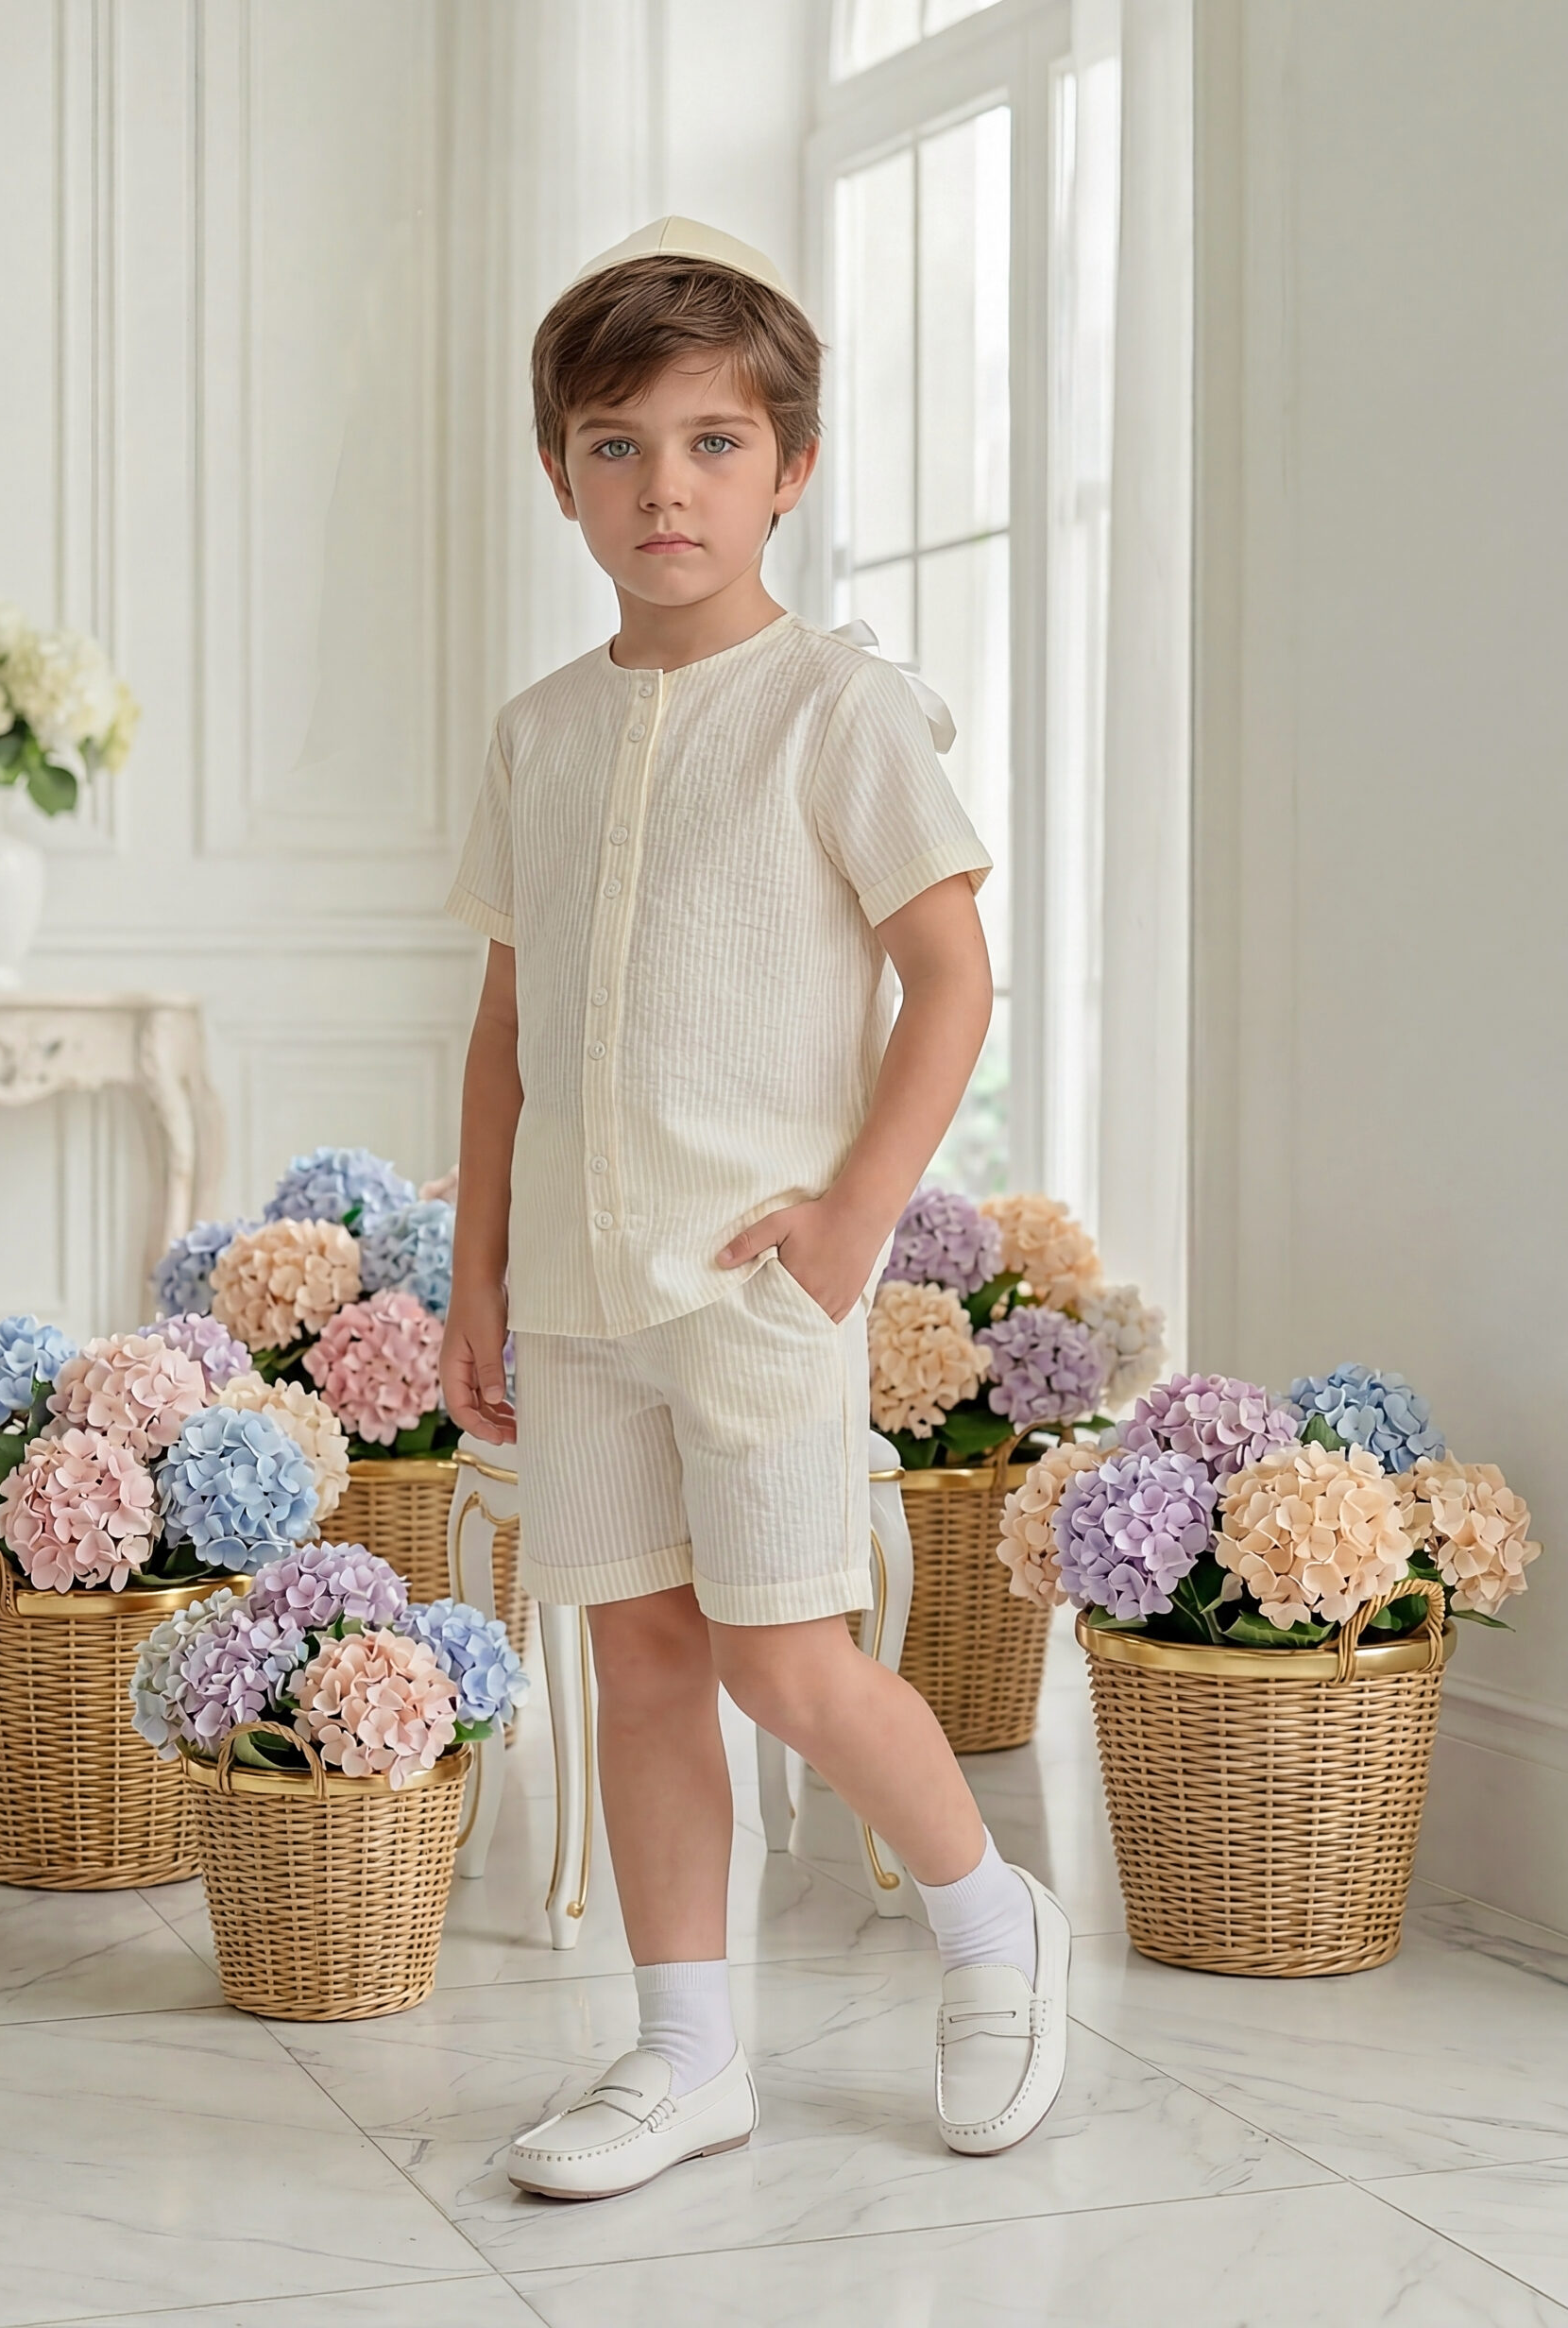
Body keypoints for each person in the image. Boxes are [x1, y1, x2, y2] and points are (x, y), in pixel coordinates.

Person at [440, 216, 1070, 2202]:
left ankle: (993, 1923)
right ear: (560, 472)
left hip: (755, 1290)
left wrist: (850, 1223)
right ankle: (685, 2051)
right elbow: (507, 1027)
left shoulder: (833, 710)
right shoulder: (540, 731)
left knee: (784, 1656)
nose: (665, 488)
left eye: (713, 443)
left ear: (789, 465)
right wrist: (475, 1272)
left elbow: (949, 975)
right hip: (578, 1289)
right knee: (635, 1655)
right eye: (616, 447)